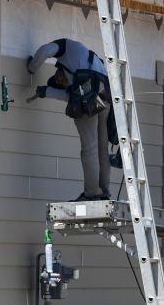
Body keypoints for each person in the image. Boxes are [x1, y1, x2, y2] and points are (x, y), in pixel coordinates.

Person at [28, 38, 113, 201]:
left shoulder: (67, 47)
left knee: (90, 148)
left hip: (92, 100)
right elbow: (70, 95)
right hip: (105, 96)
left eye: (60, 80)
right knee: (101, 147)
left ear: (59, 70)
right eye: (62, 84)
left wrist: (32, 67)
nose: (62, 82)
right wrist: (47, 91)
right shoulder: (83, 60)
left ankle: (91, 194)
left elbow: (46, 51)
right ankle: (104, 192)